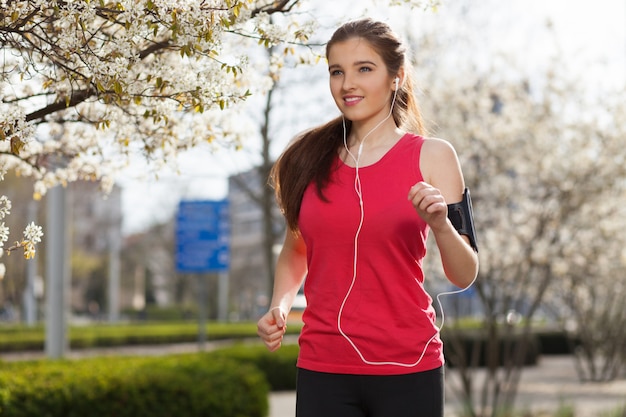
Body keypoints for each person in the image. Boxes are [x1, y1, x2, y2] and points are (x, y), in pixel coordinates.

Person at [257, 18, 479, 417]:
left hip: (409, 367)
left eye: (364, 68)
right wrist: (281, 304)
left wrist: (441, 224)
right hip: (323, 366)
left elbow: (464, 273)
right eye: (336, 71)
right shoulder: (304, 159)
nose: (347, 84)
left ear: (396, 77)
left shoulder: (433, 156)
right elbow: (296, 248)